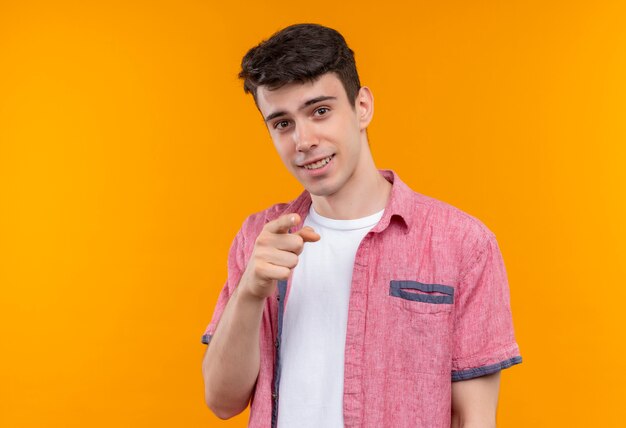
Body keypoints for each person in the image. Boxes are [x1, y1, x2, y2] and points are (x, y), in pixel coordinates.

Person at [201, 23, 521, 428]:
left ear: (362, 107)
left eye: (320, 111)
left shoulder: (462, 243)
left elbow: (474, 418)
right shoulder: (259, 238)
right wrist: (250, 291)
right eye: (282, 123)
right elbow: (222, 401)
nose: (303, 140)